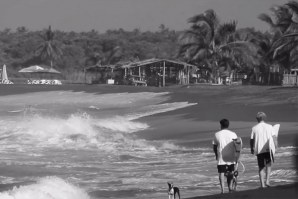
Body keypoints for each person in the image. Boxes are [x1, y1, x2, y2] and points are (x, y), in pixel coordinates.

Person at [250, 112, 275, 188]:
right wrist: (275, 146)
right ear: (264, 118)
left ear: (257, 119)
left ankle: (262, 185)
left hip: (259, 150)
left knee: (261, 167)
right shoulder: (270, 127)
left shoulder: (254, 128)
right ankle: (267, 181)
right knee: (268, 165)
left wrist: (252, 148)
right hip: (268, 149)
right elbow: (274, 137)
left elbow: (251, 140)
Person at [212, 119, 237, 193]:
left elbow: (214, 146)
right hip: (231, 156)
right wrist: (237, 156)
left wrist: (216, 155)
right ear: (228, 125)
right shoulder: (233, 134)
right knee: (231, 172)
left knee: (221, 173)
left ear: (221, 125)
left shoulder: (217, 134)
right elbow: (237, 145)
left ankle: (223, 190)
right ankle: (230, 187)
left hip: (221, 157)